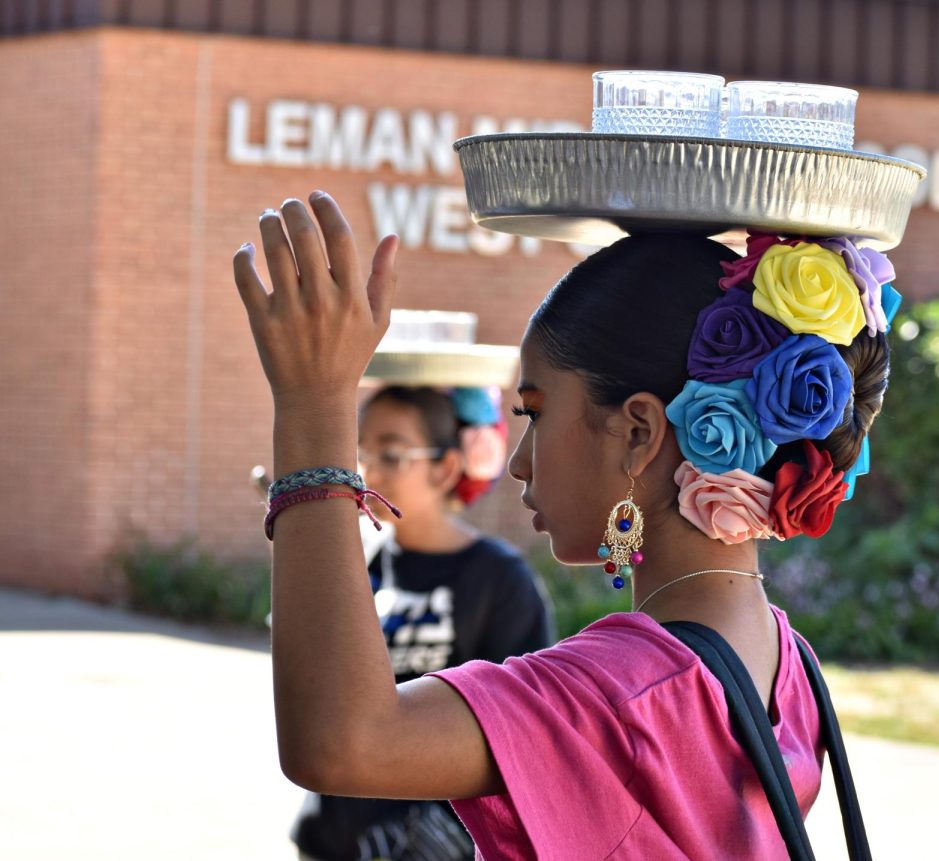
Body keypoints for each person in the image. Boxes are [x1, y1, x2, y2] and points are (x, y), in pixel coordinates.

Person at [236, 191, 895, 859]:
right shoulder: (790, 664)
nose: (519, 461)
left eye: (534, 411)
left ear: (638, 432)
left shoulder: (625, 693)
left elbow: (344, 740)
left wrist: (312, 402)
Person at [289, 333, 553, 859]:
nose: (367, 474)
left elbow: (523, 736)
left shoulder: (500, 579)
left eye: (390, 453)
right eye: (359, 453)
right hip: (334, 835)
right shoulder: (358, 565)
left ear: (448, 466)